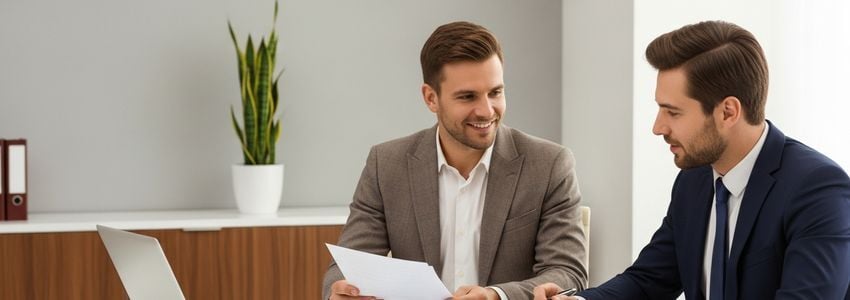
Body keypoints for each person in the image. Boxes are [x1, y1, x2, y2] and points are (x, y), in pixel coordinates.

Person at [534, 20, 850, 300]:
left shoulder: (817, 190)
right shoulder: (695, 179)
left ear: (728, 112)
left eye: (673, 112)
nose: (658, 127)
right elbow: (648, 281)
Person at [322, 21, 588, 300]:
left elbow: (567, 273)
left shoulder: (549, 165)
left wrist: (495, 296)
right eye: (468, 97)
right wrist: (341, 291)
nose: (486, 111)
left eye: (495, 92)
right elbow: (346, 267)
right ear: (431, 98)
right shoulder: (386, 165)